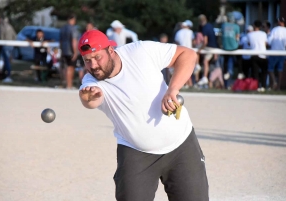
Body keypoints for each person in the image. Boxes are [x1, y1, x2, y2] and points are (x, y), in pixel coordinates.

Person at [78, 30, 208, 201]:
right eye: (87, 60)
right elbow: (90, 101)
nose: (93, 65)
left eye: (97, 58)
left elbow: (188, 54)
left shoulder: (140, 51)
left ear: (110, 50)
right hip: (136, 154)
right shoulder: (91, 82)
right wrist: (89, 96)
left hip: (182, 146)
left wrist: (172, 89)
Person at [197, 14, 218, 86]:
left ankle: (199, 69)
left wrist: (200, 49)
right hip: (213, 47)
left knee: (204, 59)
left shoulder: (205, 28)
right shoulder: (210, 25)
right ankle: (201, 72)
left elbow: (205, 42)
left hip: (209, 47)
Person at [247, 20, 268, 92]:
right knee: (264, 72)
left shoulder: (250, 34)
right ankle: (263, 86)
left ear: (254, 26)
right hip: (263, 54)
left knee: (255, 72)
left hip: (254, 55)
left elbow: (249, 43)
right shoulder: (264, 34)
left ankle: (256, 86)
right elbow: (265, 44)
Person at [60, 13, 79, 89]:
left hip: (64, 50)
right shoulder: (73, 29)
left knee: (65, 67)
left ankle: (65, 83)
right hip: (70, 50)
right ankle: (69, 85)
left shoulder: (62, 28)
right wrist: (75, 52)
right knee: (70, 68)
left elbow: (60, 41)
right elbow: (73, 41)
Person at [267, 16, 286, 90]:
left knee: (270, 69)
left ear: (279, 22)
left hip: (274, 51)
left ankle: (274, 82)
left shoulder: (275, 30)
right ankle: (278, 86)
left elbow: (269, 41)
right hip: (282, 52)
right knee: (280, 69)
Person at [221, 12, 241, 82]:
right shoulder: (236, 26)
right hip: (234, 47)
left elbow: (222, 35)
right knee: (239, 59)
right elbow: (237, 37)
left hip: (225, 47)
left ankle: (226, 72)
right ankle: (240, 72)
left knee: (226, 61)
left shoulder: (223, 25)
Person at [174, 20, 195, 88]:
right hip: (190, 52)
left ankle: (188, 83)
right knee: (189, 68)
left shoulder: (178, 32)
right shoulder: (190, 32)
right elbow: (193, 42)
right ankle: (189, 83)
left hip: (181, 52)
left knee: (183, 68)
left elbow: (177, 43)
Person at [0, 17, 17, 83]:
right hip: (11, 46)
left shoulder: (2, 27)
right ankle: (4, 75)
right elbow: (15, 36)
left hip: (5, 46)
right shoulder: (10, 27)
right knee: (8, 61)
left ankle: (7, 76)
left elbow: (1, 37)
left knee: (5, 61)